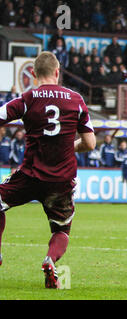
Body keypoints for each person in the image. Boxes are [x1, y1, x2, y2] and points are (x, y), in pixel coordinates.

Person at [0, 51, 96, 288]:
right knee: (61, 228)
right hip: (62, 180)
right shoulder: (76, 100)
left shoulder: (27, 98)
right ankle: (50, 259)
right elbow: (90, 143)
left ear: (33, 73)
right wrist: (68, 145)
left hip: (30, 175)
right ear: (57, 72)